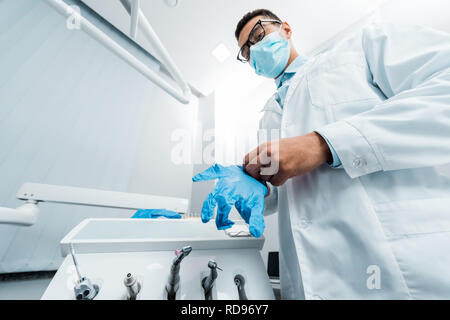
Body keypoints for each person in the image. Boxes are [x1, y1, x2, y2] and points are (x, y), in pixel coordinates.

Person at [195, 8, 450, 299]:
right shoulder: (268, 118)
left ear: (286, 29)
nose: (254, 50)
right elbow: (281, 191)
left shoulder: (360, 48)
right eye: (247, 51)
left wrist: (323, 143)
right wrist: (251, 186)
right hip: (308, 281)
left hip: (403, 267)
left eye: (257, 35)